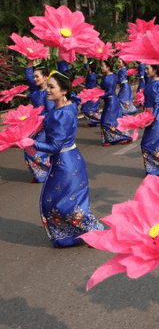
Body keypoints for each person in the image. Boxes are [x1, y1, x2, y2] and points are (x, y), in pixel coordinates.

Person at [27, 71, 105, 247]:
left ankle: (95, 232)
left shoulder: (62, 114)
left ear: (63, 91)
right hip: (67, 160)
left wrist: (33, 143)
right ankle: (76, 234)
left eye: (51, 87)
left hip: (65, 163)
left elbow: (55, 147)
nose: (47, 90)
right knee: (60, 202)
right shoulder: (67, 106)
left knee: (61, 204)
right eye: (48, 86)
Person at [23, 61, 52, 183]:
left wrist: (42, 121)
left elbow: (51, 112)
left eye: (37, 76)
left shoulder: (48, 93)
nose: (34, 79)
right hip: (34, 125)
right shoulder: (35, 91)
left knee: (36, 149)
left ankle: (49, 172)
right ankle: (41, 174)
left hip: (44, 126)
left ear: (45, 77)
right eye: (34, 76)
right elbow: (29, 77)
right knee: (27, 148)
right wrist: (30, 61)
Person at [99, 59, 133, 146]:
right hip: (111, 100)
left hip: (111, 100)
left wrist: (99, 95)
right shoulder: (112, 75)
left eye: (103, 66)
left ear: (108, 67)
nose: (101, 68)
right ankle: (109, 139)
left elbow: (109, 91)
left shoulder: (109, 77)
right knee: (110, 120)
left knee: (106, 121)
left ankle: (125, 136)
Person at [80, 58, 101, 127]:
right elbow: (85, 64)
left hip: (91, 94)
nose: (87, 67)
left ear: (90, 68)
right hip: (92, 92)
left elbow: (89, 87)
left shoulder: (91, 76)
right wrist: (85, 55)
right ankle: (94, 121)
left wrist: (79, 85)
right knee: (90, 109)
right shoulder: (92, 73)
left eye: (88, 66)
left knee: (87, 109)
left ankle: (98, 120)